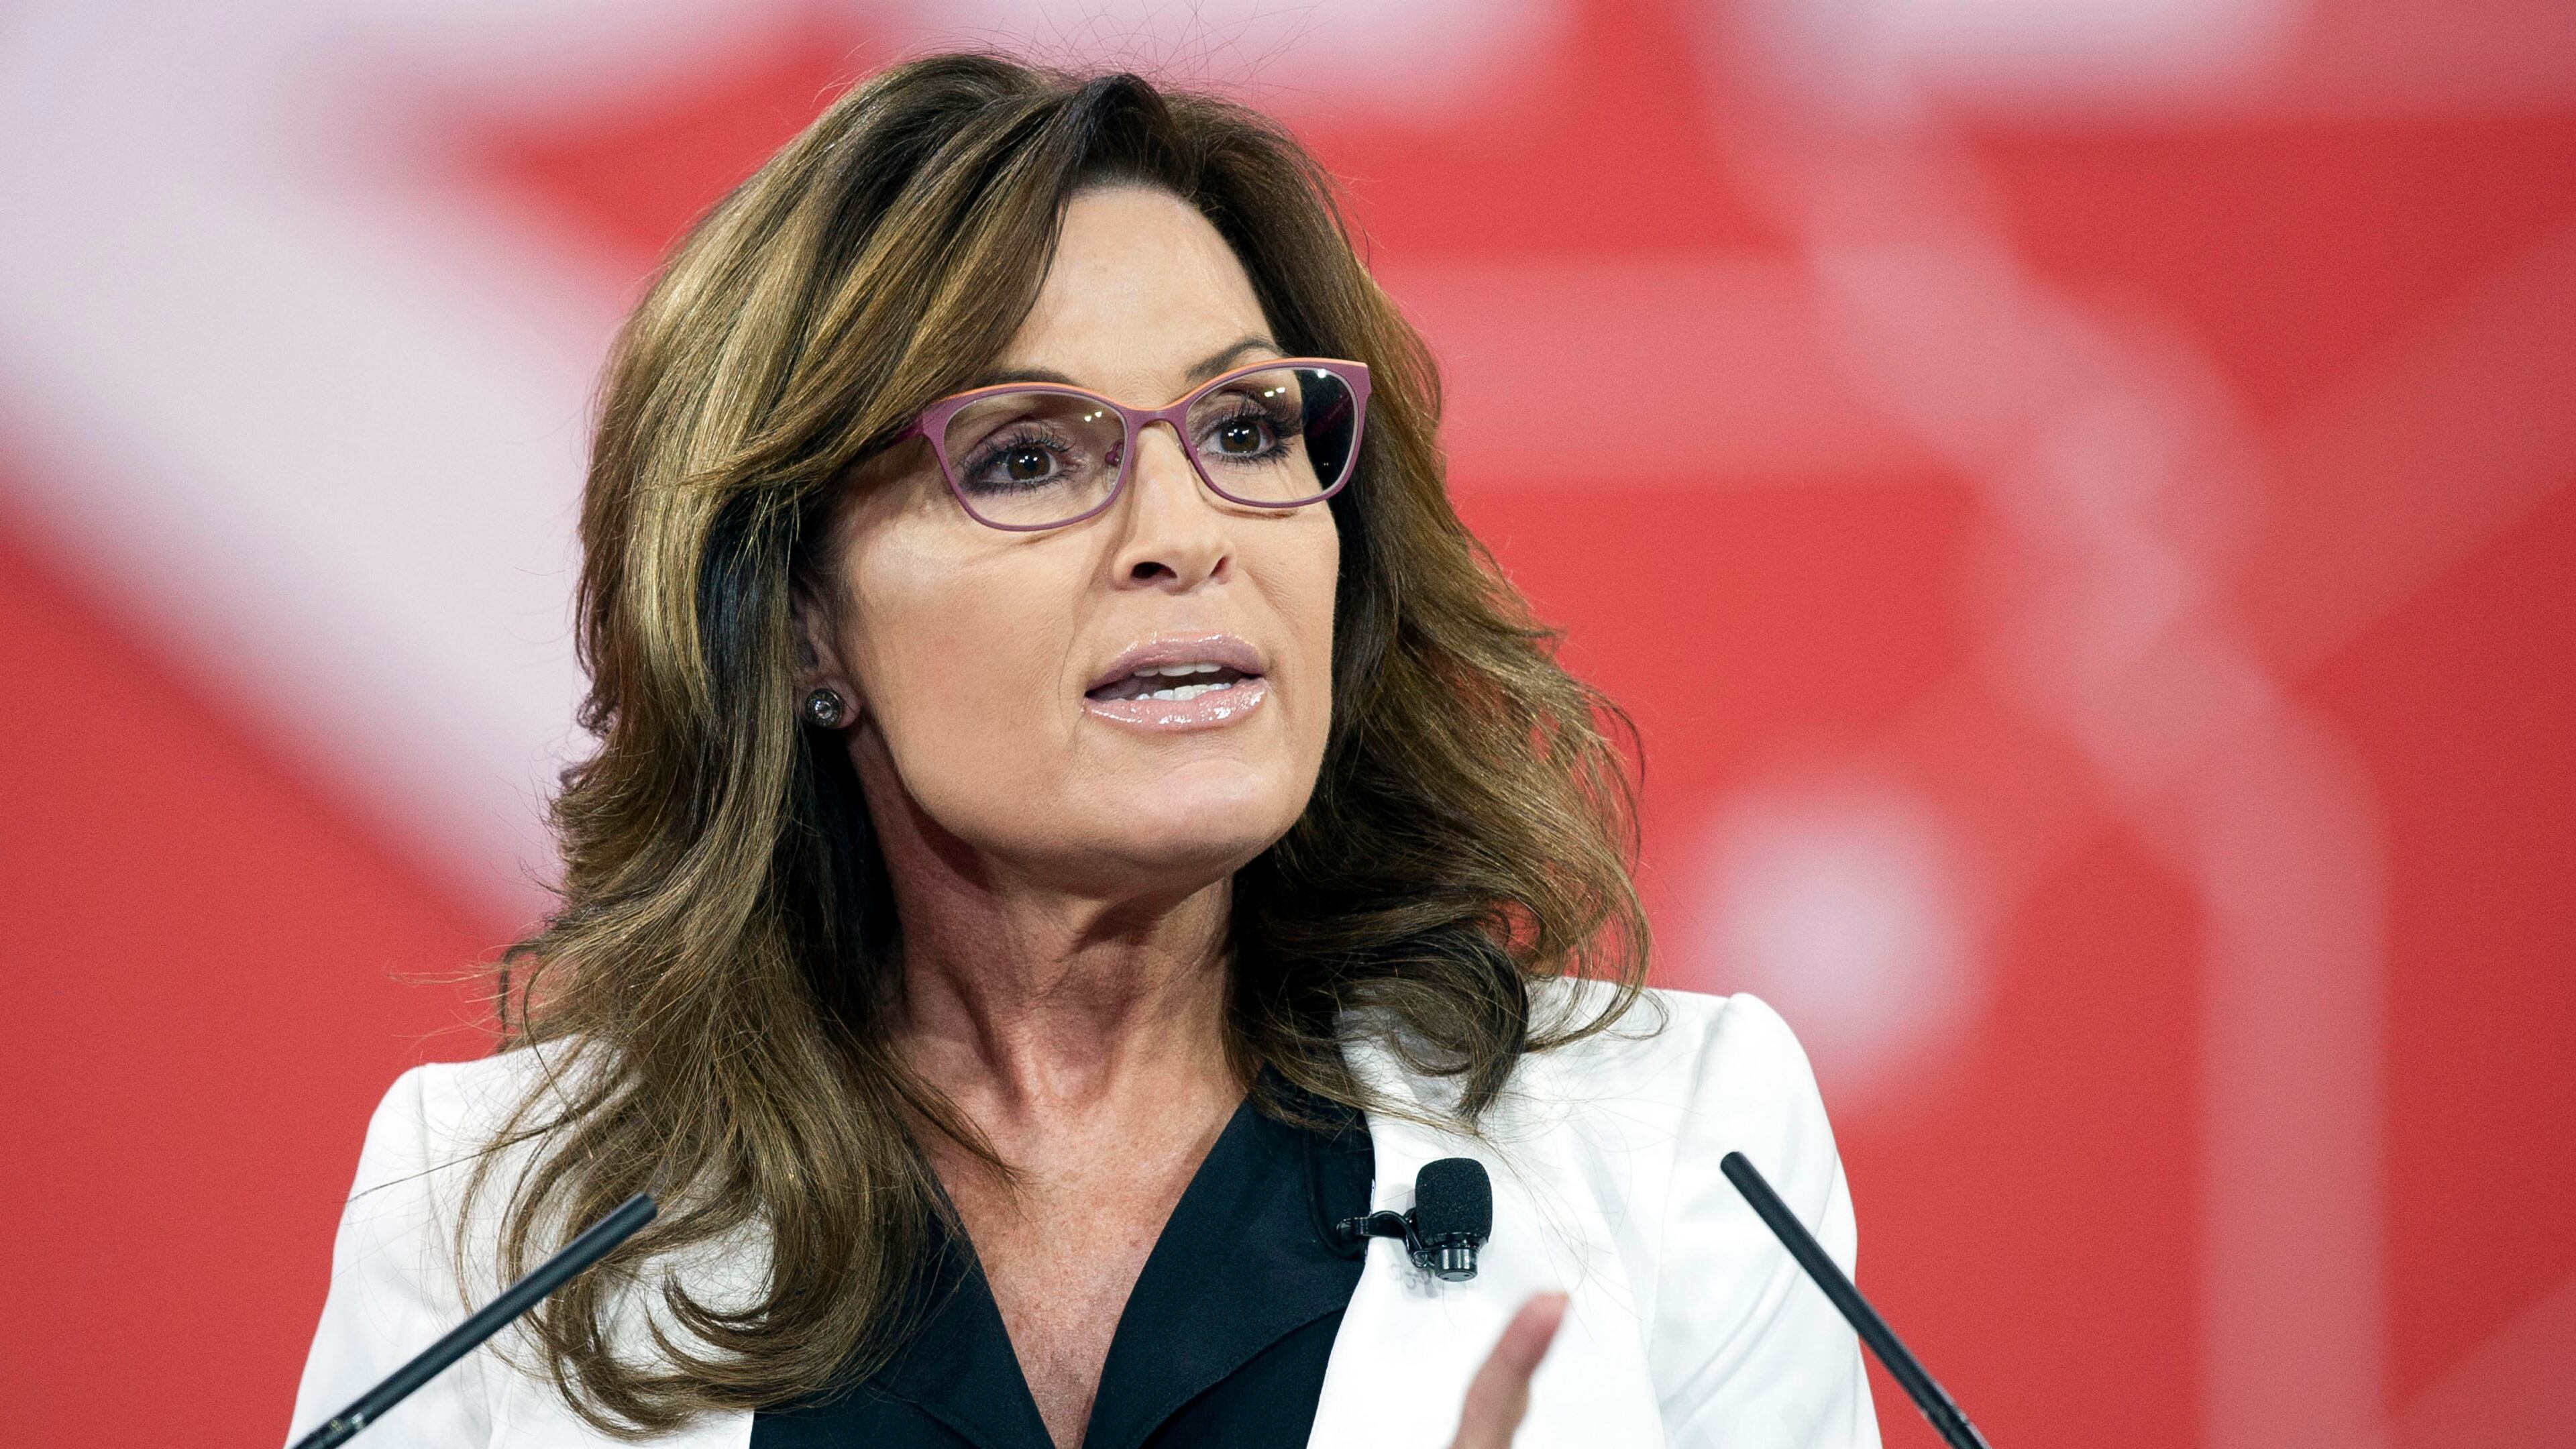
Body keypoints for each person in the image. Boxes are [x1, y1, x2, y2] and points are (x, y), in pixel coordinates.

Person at [285, 53, 1878, 1449]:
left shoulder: (1676, 1153)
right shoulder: (500, 1216)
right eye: (1031, 454)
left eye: (1249, 430)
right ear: (799, 625)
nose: (1184, 535)